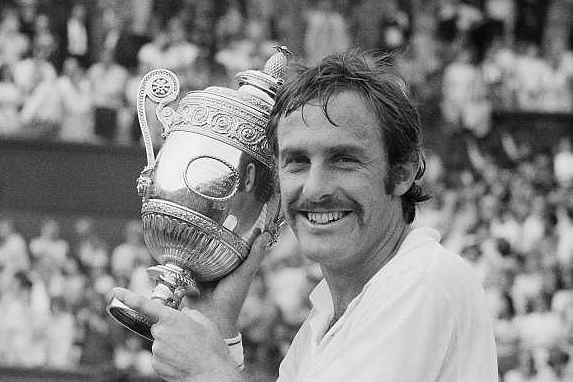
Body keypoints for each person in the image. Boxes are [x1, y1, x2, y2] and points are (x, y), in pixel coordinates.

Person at [110, 50, 498, 381]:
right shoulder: (327, 316)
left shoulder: (424, 282)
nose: (313, 189)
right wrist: (219, 324)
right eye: (296, 162)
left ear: (402, 173)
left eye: (343, 159)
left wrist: (210, 371)